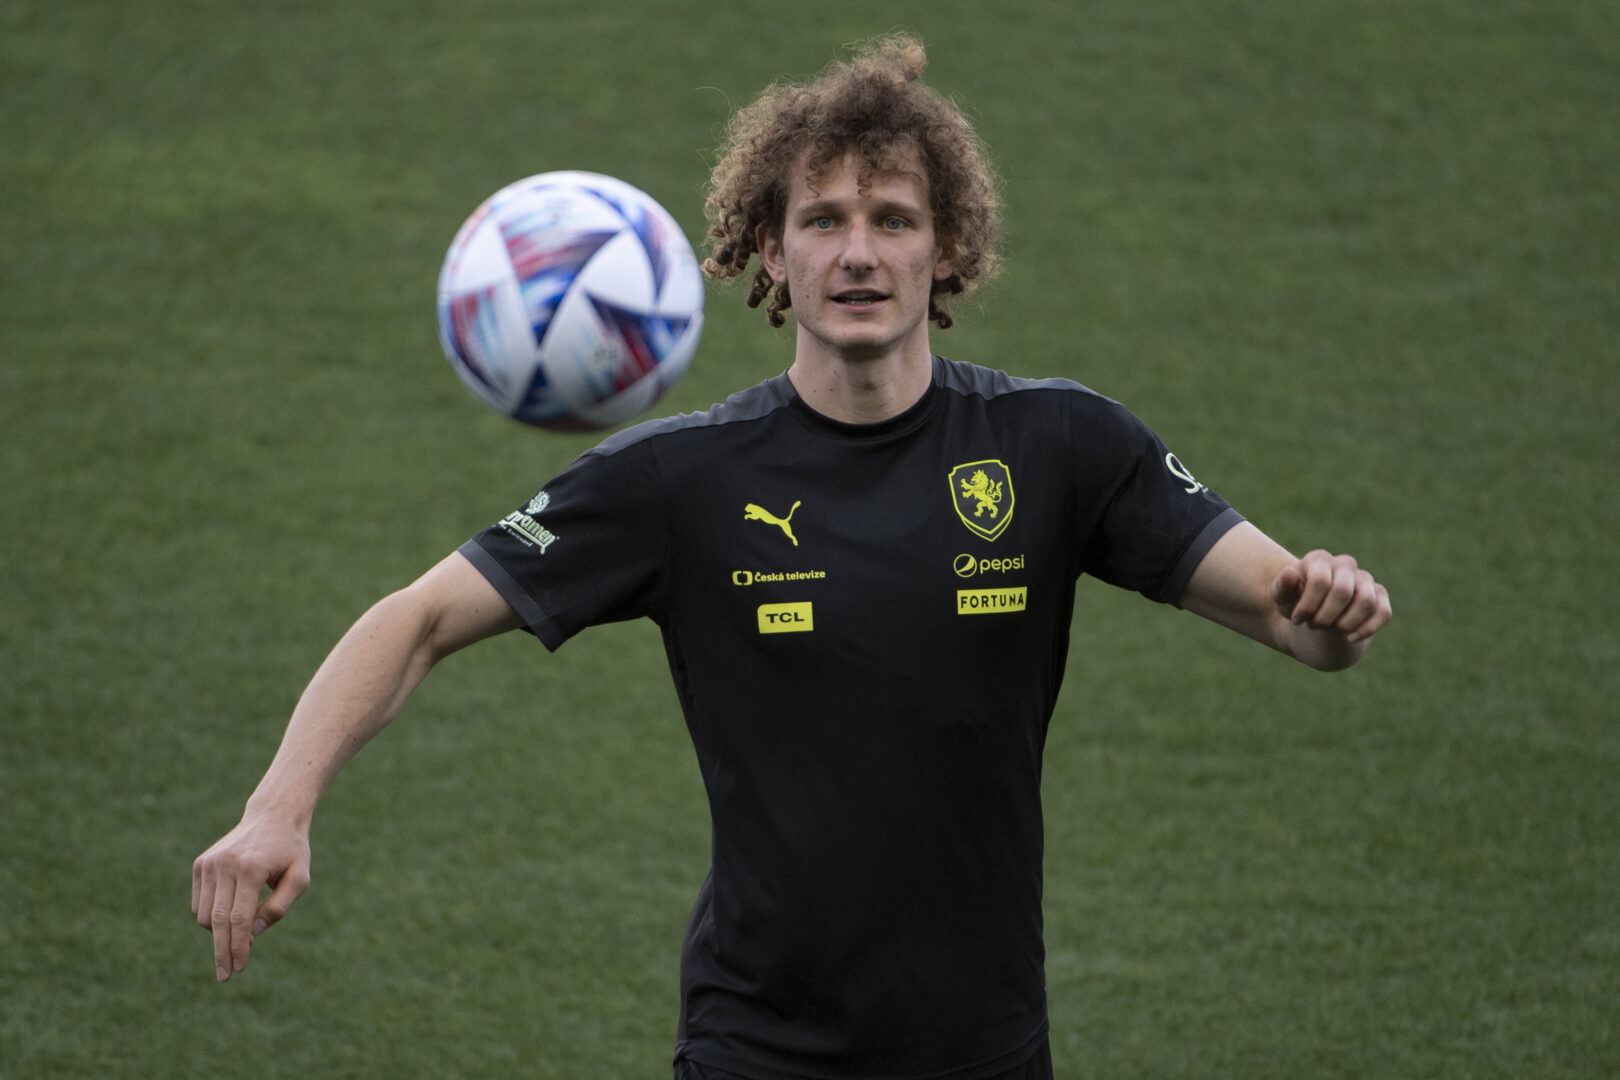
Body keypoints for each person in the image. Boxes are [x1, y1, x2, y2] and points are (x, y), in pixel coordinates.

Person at [192, 34, 1391, 1080]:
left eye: (893, 220)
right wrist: (277, 809)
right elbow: (417, 620)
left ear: (947, 248)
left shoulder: (1061, 445)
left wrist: (1332, 607)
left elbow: (1296, 623)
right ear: (769, 251)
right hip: (755, 1048)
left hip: (984, 1045)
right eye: (823, 221)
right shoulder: (680, 480)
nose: (858, 252)